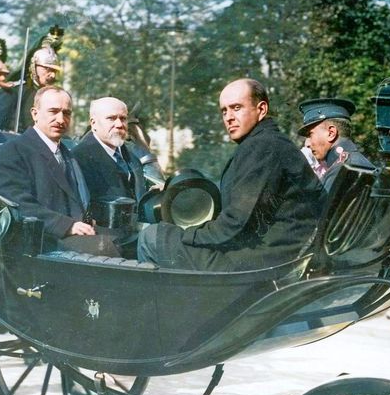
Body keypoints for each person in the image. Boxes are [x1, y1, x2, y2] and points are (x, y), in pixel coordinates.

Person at [138, 78, 324, 271]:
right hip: (279, 251)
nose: (229, 117)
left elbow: (234, 223)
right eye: (224, 111)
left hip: (269, 259)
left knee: (150, 236)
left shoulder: (261, 146)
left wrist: (184, 233)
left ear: (261, 110)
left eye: (236, 108)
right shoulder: (268, 141)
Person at [0, 86, 94, 247]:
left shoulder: (66, 152)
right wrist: (67, 225)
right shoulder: (13, 151)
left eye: (66, 113)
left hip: (73, 237)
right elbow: (15, 204)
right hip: (39, 243)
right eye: (53, 111)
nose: (60, 119)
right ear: (34, 114)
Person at [0, 29, 62, 132]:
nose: (52, 75)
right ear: (33, 67)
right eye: (47, 69)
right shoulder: (13, 91)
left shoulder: (53, 96)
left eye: (55, 70)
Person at [72, 97, 147, 203]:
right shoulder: (78, 159)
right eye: (111, 118)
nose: (119, 125)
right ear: (93, 124)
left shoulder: (133, 158)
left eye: (123, 118)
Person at [298, 98, 375, 192]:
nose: (307, 144)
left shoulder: (342, 170)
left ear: (331, 133)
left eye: (310, 135)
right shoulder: (356, 163)